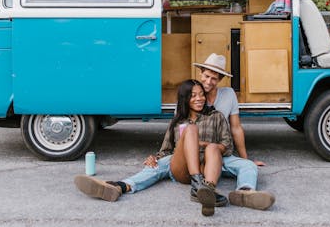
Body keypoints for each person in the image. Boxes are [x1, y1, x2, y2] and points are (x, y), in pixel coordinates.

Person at [75, 79, 233, 216]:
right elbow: (166, 151)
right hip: (183, 168)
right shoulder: (177, 122)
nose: (199, 98)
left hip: (207, 165)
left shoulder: (216, 116)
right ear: (185, 99)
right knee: (179, 141)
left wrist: (203, 144)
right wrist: (155, 158)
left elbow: (227, 146)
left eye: (201, 94)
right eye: (193, 95)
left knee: (213, 147)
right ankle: (121, 186)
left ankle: (207, 192)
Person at [193, 53, 274, 210]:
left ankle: (244, 193)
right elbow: (180, 129)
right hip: (199, 155)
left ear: (220, 80)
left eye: (214, 78)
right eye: (206, 76)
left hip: (222, 153)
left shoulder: (228, 94)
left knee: (249, 167)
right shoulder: (192, 93)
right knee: (161, 167)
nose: (208, 81)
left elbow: (236, 128)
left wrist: (246, 159)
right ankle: (207, 192)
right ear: (200, 73)